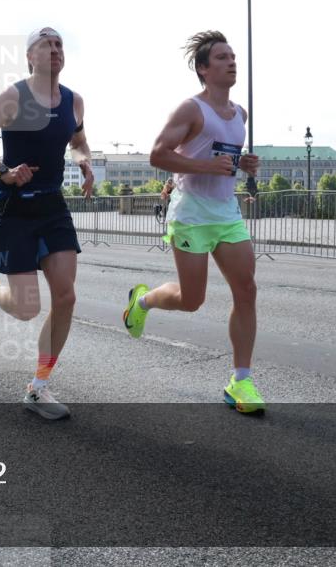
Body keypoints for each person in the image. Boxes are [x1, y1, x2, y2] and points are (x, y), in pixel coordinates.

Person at [121, 30, 263, 413]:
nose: (231, 62)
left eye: (233, 56)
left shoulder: (240, 115)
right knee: (192, 299)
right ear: (203, 69)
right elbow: (157, 155)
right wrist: (204, 166)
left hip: (227, 213)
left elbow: (225, 160)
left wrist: (243, 164)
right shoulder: (190, 110)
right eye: (221, 57)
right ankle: (144, 300)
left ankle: (241, 381)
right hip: (191, 214)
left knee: (246, 289)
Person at [0, 27, 93, 421]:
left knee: (66, 296)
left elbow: (79, 141)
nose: (54, 51)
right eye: (46, 45)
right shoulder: (13, 97)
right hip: (16, 209)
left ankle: (38, 388)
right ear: (29, 57)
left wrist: (84, 161)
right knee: (25, 308)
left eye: (59, 45)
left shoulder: (74, 102)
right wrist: (3, 171)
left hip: (54, 207)